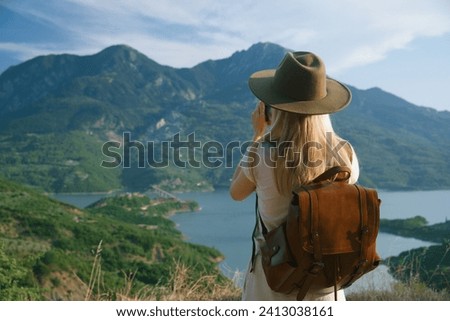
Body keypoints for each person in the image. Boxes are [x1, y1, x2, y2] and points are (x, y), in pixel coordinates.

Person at [229, 51, 360, 301]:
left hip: (273, 284)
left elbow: (236, 193)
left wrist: (257, 135)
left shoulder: (262, 154)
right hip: (325, 287)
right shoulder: (345, 153)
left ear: (271, 109)